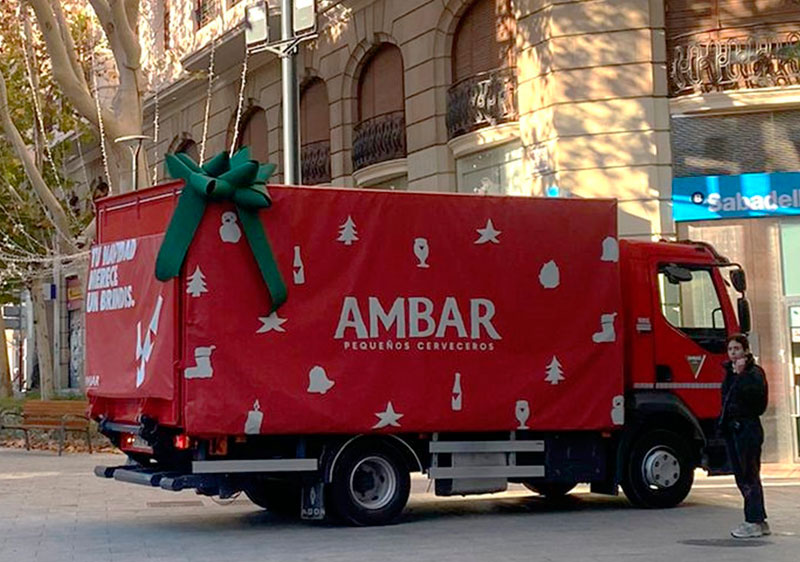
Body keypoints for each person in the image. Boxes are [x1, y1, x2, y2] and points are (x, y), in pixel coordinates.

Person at [718, 333, 770, 539]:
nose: (733, 353)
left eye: (737, 349)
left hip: (747, 428)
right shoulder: (729, 373)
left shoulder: (754, 373)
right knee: (743, 475)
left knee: (749, 475)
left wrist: (741, 376)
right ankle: (759, 519)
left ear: (746, 351)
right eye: (730, 349)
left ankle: (753, 521)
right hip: (733, 428)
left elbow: (757, 401)